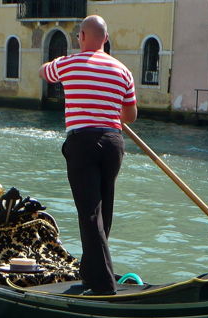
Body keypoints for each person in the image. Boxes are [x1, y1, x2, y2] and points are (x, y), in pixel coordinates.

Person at [39, 15, 137, 295]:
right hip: (113, 141)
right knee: (104, 212)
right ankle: (92, 275)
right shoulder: (122, 71)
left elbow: (44, 71)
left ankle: (104, 285)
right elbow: (129, 115)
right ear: (106, 39)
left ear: (81, 37)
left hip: (82, 142)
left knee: (89, 213)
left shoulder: (69, 63)